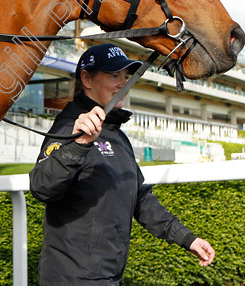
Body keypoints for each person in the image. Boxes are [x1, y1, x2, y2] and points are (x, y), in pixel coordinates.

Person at [29, 43, 215, 285]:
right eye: (114, 75)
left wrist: (187, 238)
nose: (123, 84)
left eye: (126, 76)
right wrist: (79, 144)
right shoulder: (69, 128)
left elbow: (140, 197)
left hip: (108, 277)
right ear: (86, 78)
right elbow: (42, 187)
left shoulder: (116, 134)